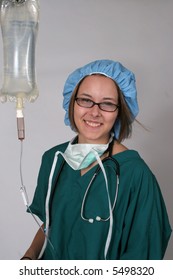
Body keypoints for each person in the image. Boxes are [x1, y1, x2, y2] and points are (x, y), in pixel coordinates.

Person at [21, 59, 172, 260]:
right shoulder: (54, 159)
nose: (94, 112)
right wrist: (29, 257)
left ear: (120, 111)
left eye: (107, 104)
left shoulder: (135, 174)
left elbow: (145, 254)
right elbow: (51, 224)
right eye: (85, 100)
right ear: (72, 102)